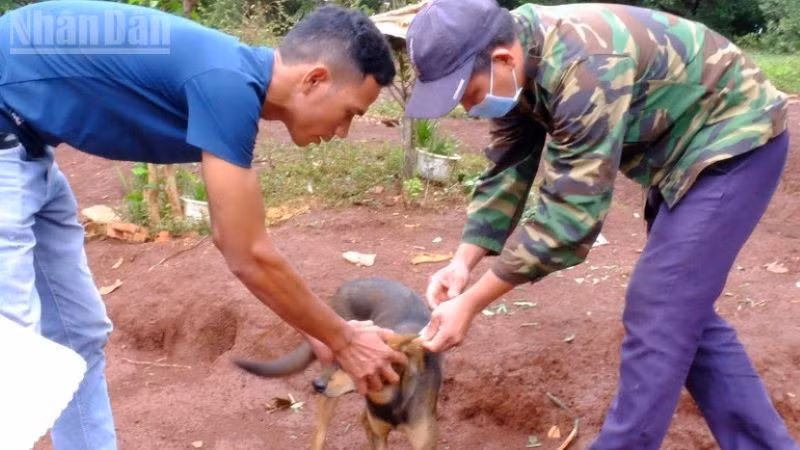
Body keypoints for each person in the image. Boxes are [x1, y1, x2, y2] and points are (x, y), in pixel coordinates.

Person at [0, 1, 407, 448]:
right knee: (12, 347)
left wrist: (323, 332)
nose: (344, 131)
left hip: (28, 146)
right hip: (7, 135)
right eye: (350, 112)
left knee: (78, 334)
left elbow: (246, 244)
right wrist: (343, 338)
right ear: (314, 80)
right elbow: (245, 252)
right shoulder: (228, 85)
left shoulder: (234, 81)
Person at [405, 0, 798, 448]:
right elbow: (509, 165)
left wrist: (472, 303)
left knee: (659, 306)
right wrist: (463, 261)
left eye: (468, 94)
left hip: (734, 137)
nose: (469, 108)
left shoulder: (585, 68)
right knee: (679, 311)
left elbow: (569, 220)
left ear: (501, 60)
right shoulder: (517, 62)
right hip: (682, 149)